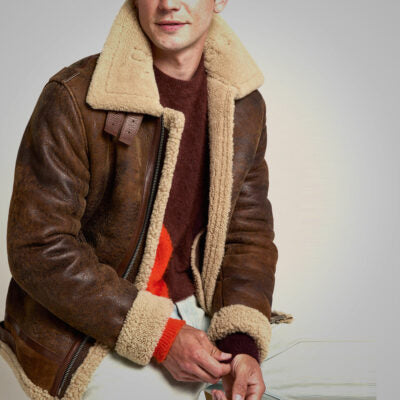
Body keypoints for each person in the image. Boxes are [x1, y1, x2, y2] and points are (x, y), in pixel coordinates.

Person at [0, 1, 295, 399]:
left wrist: (240, 344)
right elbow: (37, 246)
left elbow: (247, 234)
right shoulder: (73, 96)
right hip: (96, 326)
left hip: (205, 311)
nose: (169, 3)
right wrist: (159, 335)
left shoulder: (244, 104)